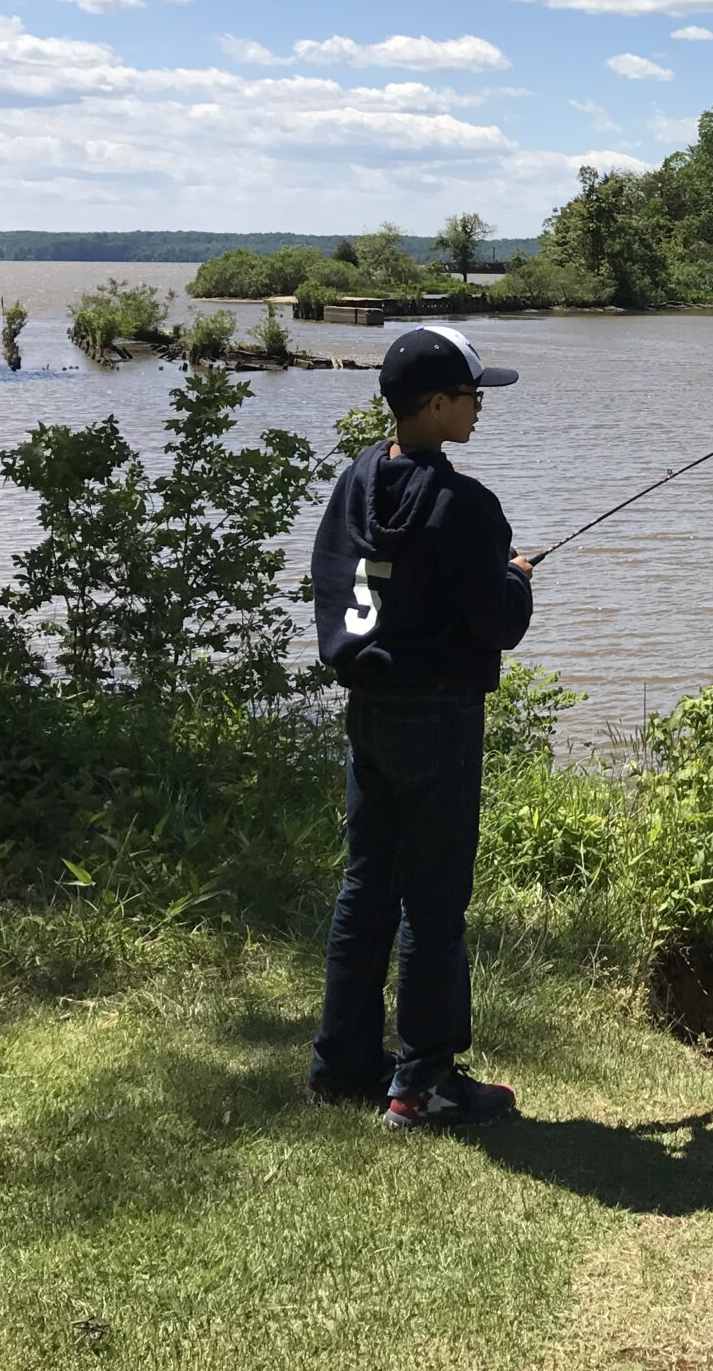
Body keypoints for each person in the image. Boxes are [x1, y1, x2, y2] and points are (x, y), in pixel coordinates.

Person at [307, 324, 533, 1130]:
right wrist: (514, 580)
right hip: (439, 720)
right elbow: (494, 625)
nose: (480, 409)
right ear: (435, 405)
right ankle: (424, 1084)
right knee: (433, 902)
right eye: (473, 397)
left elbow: (335, 578)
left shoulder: (359, 480)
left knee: (367, 885)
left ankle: (342, 1066)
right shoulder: (468, 507)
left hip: (370, 711)